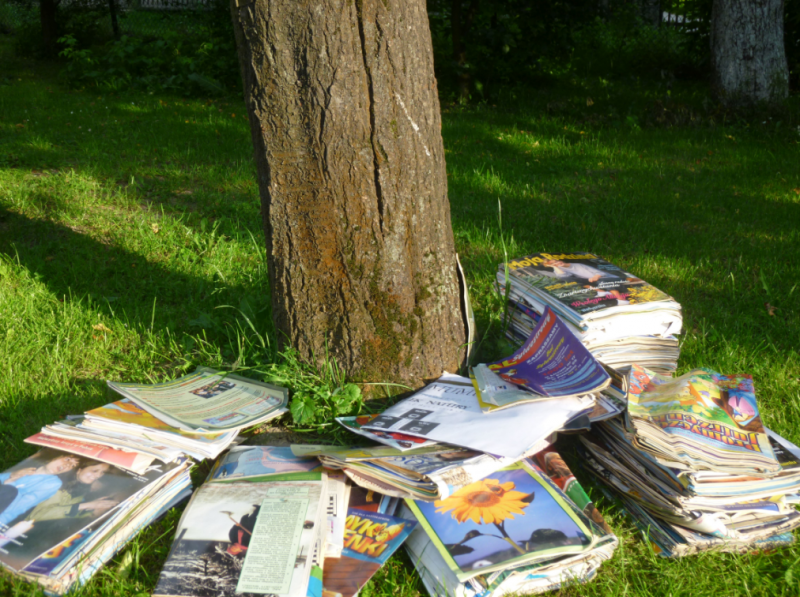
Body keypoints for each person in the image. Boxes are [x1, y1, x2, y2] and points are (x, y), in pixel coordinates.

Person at [26, 461, 119, 525]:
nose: (98, 475)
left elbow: (68, 514)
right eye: (94, 471)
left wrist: (93, 509)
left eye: (102, 473)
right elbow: (35, 515)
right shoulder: (58, 485)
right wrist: (87, 505)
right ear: (79, 470)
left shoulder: (80, 490)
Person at [0, 453, 80, 526]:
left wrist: (11, 484)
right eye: (67, 459)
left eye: (72, 465)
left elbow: (18, 507)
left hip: (2, 514)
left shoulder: (53, 483)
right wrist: (12, 474)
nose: (68, 464)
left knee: (10, 491)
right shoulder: (30, 467)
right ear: (55, 456)